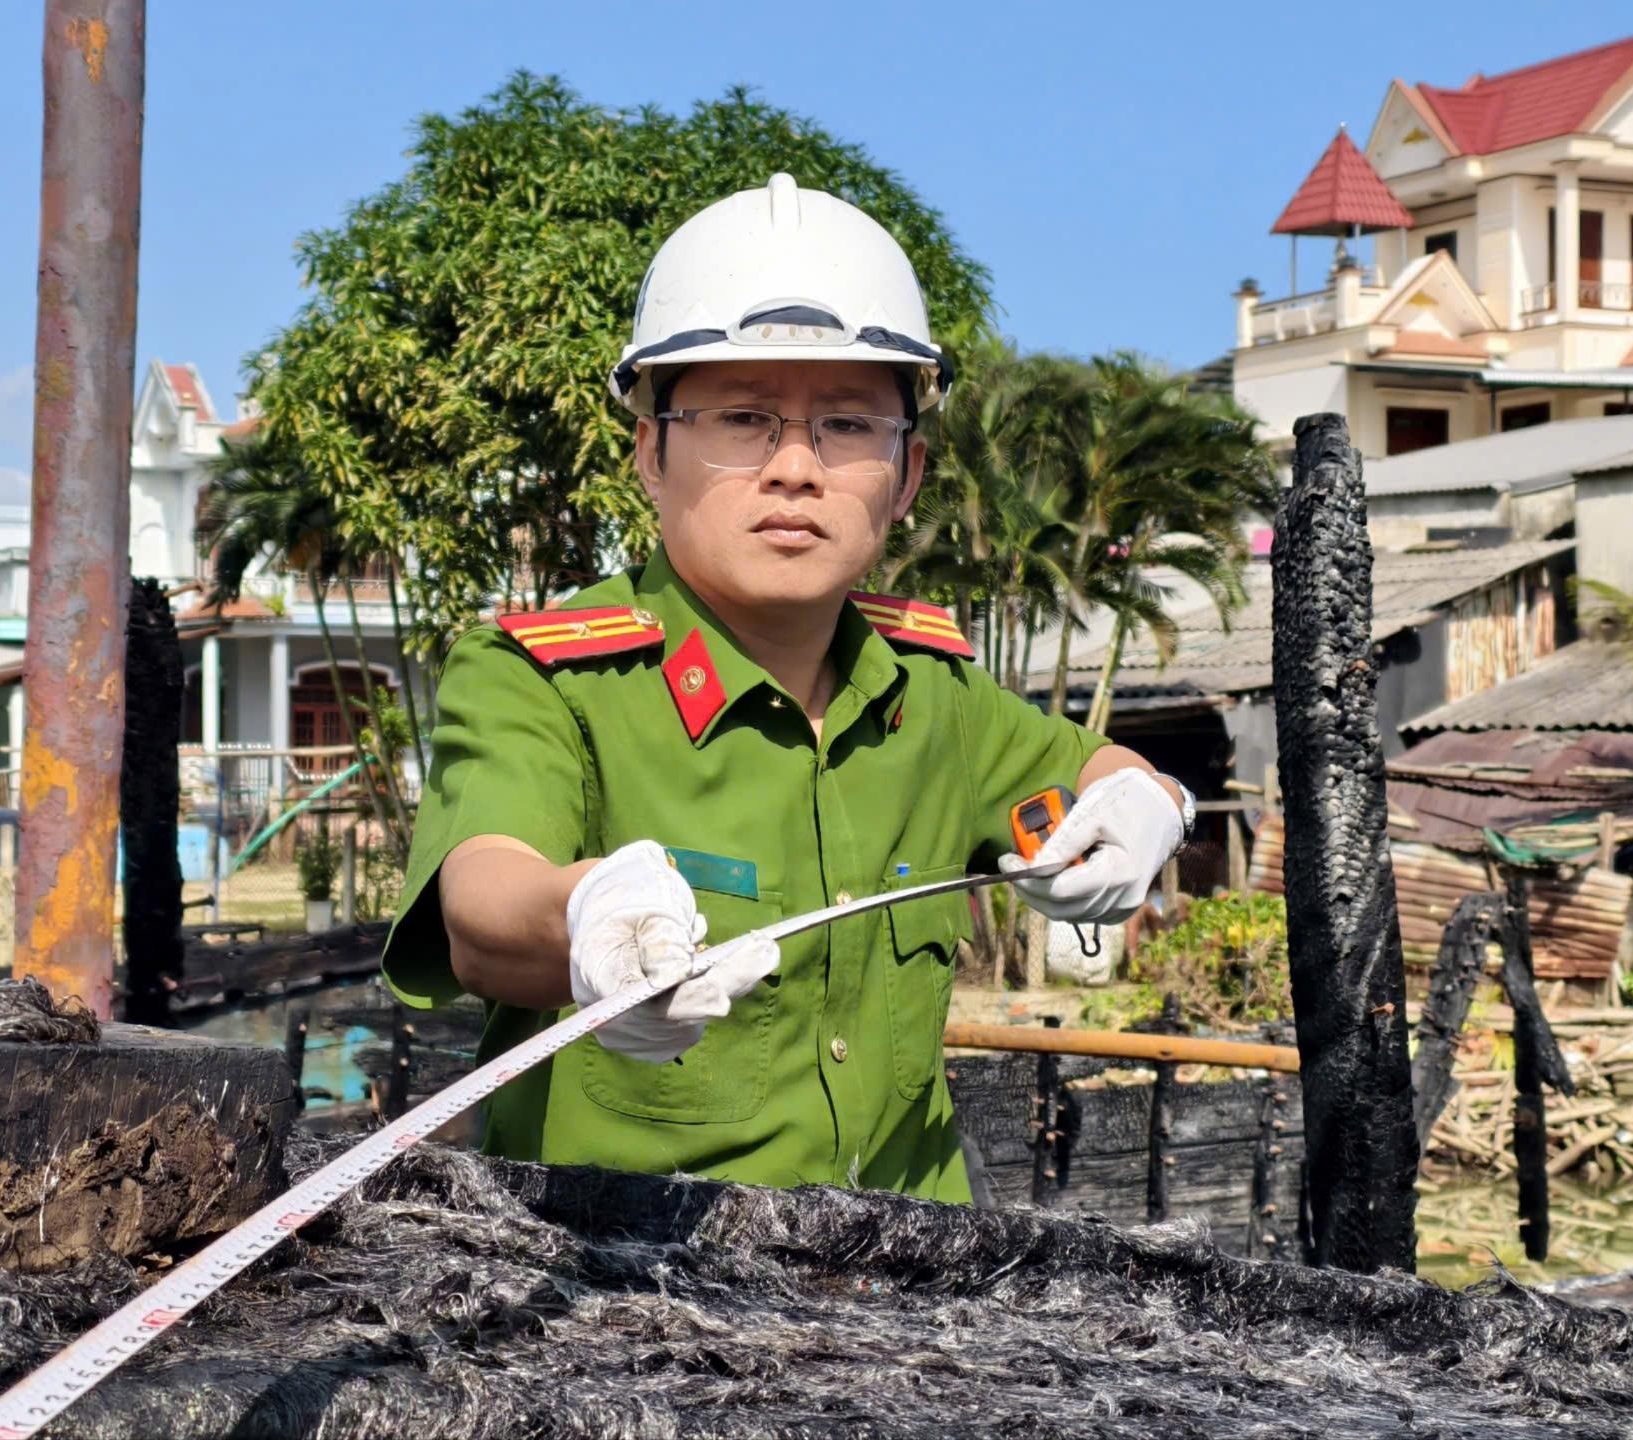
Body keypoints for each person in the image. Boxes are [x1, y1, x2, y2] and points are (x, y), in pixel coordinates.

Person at [382, 173, 1194, 1202]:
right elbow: (482, 903)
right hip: (626, 1306)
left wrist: (1147, 802)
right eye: (742, 419)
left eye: (849, 426)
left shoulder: (929, 695)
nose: (796, 469)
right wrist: (587, 915)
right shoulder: (548, 682)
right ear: (650, 451)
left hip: (920, 1292)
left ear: (904, 477)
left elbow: (1092, 769)